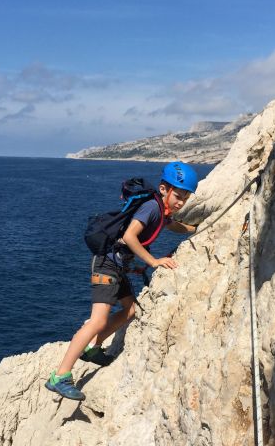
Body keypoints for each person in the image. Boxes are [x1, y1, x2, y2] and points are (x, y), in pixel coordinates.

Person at [45, 161, 199, 401]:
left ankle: (93, 348)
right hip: (107, 266)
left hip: (118, 267)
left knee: (131, 310)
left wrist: (195, 228)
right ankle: (60, 376)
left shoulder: (161, 211)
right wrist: (152, 261)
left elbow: (174, 225)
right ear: (163, 189)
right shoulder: (152, 207)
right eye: (178, 195)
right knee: (97, 321)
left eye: (185, 198)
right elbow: (129, 236)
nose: (181, 202)